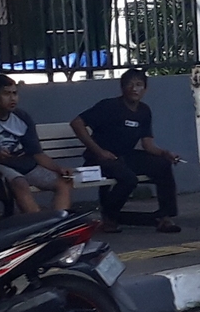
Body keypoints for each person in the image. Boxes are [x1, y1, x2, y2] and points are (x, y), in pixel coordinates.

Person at [71, 65, 184, 233]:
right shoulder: (108, 106)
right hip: (100, 158)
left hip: (125, 157)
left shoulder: (144, 111)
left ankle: (164, 217)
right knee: (129, 179)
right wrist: (99, 151)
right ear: (122, 87)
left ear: (145, 89)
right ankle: (109, 217)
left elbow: (147, 145)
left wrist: (165, 153)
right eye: (130, 84)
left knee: (162, 165)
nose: (134, 88)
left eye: (139, 84)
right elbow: (76, 123)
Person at [0, 72, 74, 216]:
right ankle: (38, 225)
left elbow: (36, 153)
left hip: (22, 165)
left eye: (15, 93)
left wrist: (58, 169)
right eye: (6, 94)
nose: (12, 98)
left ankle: (58, 224)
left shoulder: (22, 117)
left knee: (63, 182)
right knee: (20, 183)